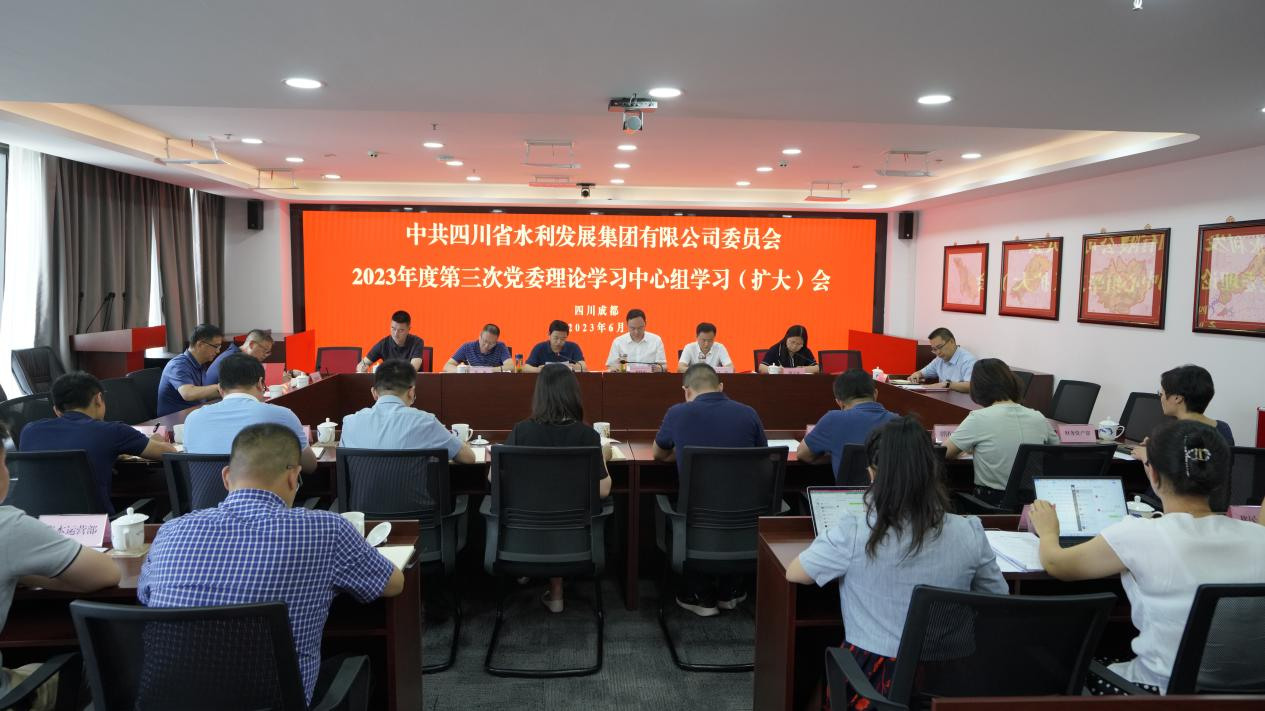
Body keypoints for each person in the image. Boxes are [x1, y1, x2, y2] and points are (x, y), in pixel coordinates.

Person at [138, 423, 404, 705]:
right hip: (275, 700)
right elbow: (393, 584)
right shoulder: (326, 529)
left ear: (226, 477)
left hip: (169, 703)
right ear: (293, 477)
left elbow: (145, 595)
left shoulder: (171, 531)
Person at [786, 417, 1008, 709]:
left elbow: (796, 573)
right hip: (952, 681)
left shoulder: (855, 530)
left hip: (875, 680)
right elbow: (998, 597)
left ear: (872, 474)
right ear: (932, 471)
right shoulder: (970, 531)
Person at [1031, 419, 1265, 694]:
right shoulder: (1259, 537)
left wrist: (1048, 531)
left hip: (1155, 693)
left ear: (1152, 473)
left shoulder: (1139, 533)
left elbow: (1057, 564)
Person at [1, 422, 121, 710]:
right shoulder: (7, 526)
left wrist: (17, 571)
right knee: (102, 668)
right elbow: (106, 574)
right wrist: (24, 571)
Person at [653, 364, 768, 615]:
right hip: (744, 524)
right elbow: (762, 456)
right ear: (721, 387)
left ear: (686, 391)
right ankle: (730, 590)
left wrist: (682, 453)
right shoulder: (749, 413)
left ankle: (700, 594)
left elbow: (658, 454)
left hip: (698, 525)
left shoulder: (677, 413)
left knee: (674, 504)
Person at [502, 365, 612, 613]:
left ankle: (534, 576)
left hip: (525, 536)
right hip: (574, 538)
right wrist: (603, 456)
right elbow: (603, 489)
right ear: (574, 394)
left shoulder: (521, 431)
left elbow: (493, 478)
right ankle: (557, 591)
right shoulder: (587, 436)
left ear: (540, 395)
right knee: (563, 507)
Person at [20, 372, 176, 513]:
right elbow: (170, 453)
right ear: (98, 399)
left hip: (37, 523)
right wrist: (155, 439)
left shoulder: (29, 431)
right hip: (94, 525)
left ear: (56, 410)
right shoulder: (113, 431)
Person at [945, 358, 1059, 504]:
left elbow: (945, 452)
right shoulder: (1038, 417)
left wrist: (970, 449)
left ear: (977, 388)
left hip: (990, 502)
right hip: (1034, 503)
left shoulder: (979, 418)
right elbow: (1057, 451)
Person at [184, 353, 318, 474]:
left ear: (220, 388)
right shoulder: (282, 415)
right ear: (260, 383)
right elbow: (309, 465)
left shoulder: (193, 419)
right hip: (264, 494)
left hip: (206, 494)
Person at [340, 360, 476, 464]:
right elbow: (469, 458)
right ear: (411, 392)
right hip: (412, 495)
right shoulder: (425, 422)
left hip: (361, 495)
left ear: (374, 393)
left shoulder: (349, 423)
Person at [798, 369, 898, 481]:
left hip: (848, 492)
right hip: (889, 491)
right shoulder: (898, 422)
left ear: (839, 402)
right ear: (875, 394)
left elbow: (803, 454)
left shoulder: (832, 419)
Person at [1155, 364, 1234, 445]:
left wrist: (1151, 448)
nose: (1161, 398)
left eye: (1161, 394)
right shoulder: (1224, 428)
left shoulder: (1169, 435)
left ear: (1177, 398)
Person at [156, 323, 224, 416]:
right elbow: (188, 393)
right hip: (173, 420)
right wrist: (221, 387)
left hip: (192, 414)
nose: (218, 351)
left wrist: (230, 392)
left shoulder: (200, 364)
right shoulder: (178, 365)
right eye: (216, 346)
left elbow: (202, 396)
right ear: (200, 344)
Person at [206, 329, 297, 386]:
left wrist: (280, 375)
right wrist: (277, 379)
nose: (265, 355)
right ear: (252, 344)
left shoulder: (239, 355)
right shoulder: (233, 359)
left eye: (268, 352)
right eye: (264, 350)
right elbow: (247, 387)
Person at [907, 327, 976, 393]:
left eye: (940, 347)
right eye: (934, 349)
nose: (938, 352)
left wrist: (947, 384)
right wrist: (916, 374)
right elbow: (922, 373)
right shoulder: (939, 359)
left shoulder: (968, 360)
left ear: (951, 341)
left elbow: (971, 386)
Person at [357, 310, 424, 373]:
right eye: (393, 328)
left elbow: (412, 369)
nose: (395, 334)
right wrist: (362, 368)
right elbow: (362, 364)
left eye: (401, 330)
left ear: (408, 329)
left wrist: (384, 370)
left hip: (409, 381)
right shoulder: (383, 344)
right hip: (388, 381)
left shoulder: (417, 342)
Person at [443, 323, 513, 371]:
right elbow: (447, 366)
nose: (486, 346)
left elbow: (511, 366)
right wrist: (464, 371)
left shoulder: (500, 346)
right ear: (479, 336)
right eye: (484, 341)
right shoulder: (467, 347)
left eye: (491, 343)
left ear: (496, 341)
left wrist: (489, 370)